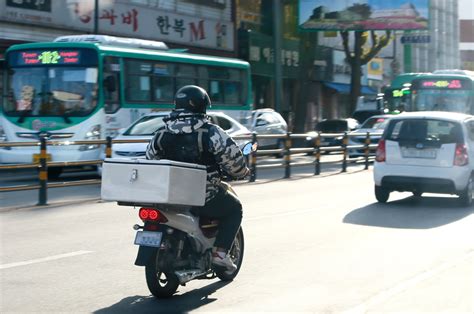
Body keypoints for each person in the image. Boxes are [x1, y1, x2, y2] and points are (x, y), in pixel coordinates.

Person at [145, 85, 249, 271]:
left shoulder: (161, 134)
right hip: (202, 196)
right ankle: (220, 254)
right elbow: (233, 160)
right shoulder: (211, 132)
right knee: (235, 208)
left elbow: (150, 161)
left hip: (168, 195)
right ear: (202, 106)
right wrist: (242, 172)